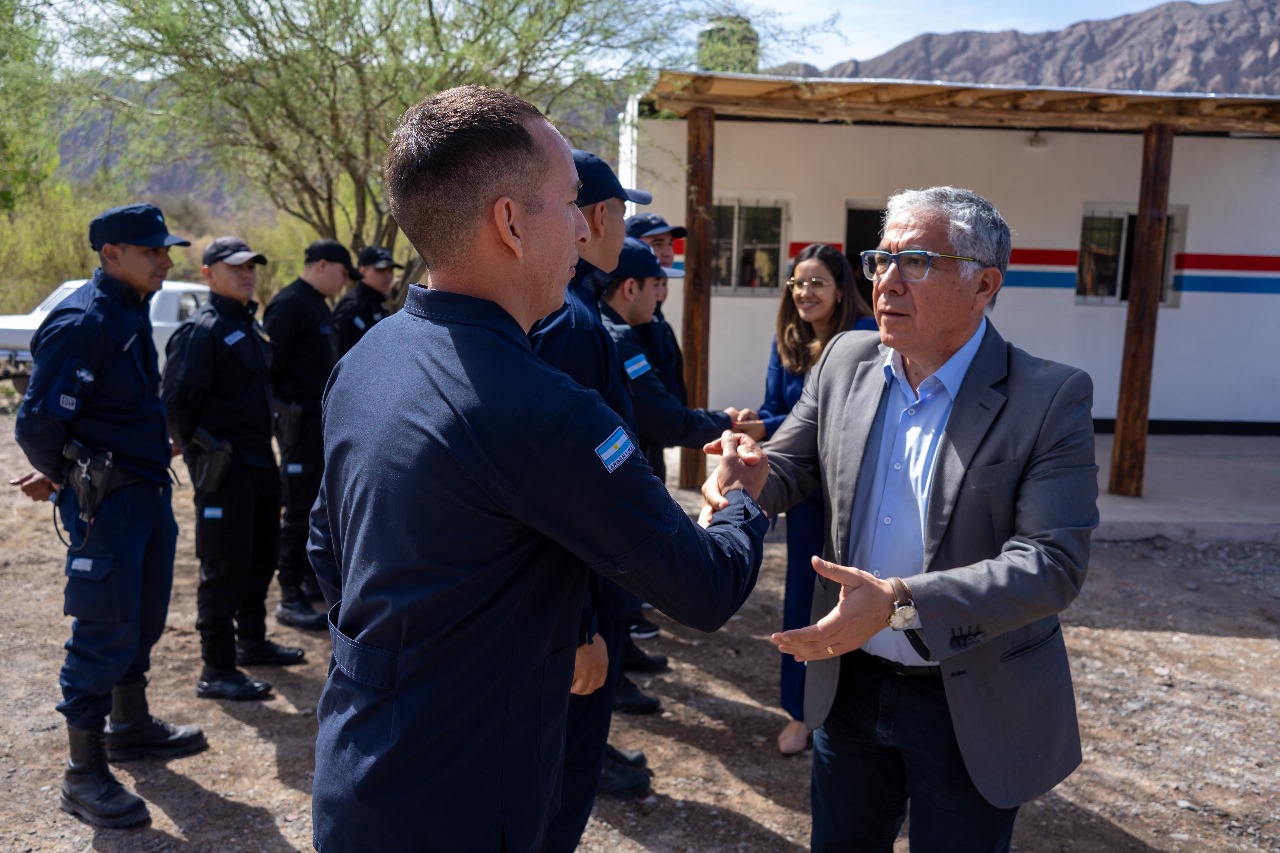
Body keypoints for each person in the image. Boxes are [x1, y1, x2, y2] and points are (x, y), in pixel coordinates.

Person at [306, 84, 770, 853]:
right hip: (462, 808)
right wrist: (739, 500)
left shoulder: (369, 358)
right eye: (570, 202)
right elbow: (705, 586)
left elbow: (330, 549)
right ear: (511, 223)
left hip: (360, 769)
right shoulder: (544, 409)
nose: (585, 226)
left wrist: (403, 665)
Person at [703, 187, 1099, 851]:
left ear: (984, 284)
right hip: (850, 684)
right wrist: (748, 475)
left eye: (916, 262)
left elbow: (1051, 563)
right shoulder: (846, 359)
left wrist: (898, 603)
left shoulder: (1048, 397)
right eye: (880, 260)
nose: (886, 281)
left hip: (970, 694)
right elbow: (792, 464)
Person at [14, 203, 207, 828]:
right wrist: (70, 476)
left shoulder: (129, 309)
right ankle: (83, 773)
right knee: (104, 626)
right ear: (111, 254)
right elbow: (38, 423)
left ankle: (129, 724)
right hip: (109, 504)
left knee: (142, 616)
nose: (165, 261)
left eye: (166, 250)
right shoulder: (85, 321)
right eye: (151, 251)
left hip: (144, 494)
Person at [529, 148, 658, 849]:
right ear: (599, 217)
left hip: (573, 594)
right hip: (576, 594)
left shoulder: (566, 310)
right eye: (623, 216)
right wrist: (582, 627)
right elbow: (569, 489)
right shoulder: (574, 323)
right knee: (562, 777)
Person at [738, 243, 875, 755]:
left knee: (858, 595)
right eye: (798, 282)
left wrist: (768, 425)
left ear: (841, 290)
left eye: (818, 282)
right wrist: (756, 422)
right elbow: (781, 412)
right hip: (804, 492)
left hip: (855, 489)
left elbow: (840, 418)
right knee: (802, 597)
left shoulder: (864, 339)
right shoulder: (789, 340)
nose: (805, 292)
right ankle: (800, 712)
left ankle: (851, 708)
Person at [161, 237, 306, 703]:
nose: (247, 274)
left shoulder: (248, 324)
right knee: (224, 567)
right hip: (225, 472)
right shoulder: (201, 331)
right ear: (208, 273)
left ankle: (252, 642)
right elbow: (178, 405)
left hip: (260, 463)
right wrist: (204, 453)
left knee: (259, 560)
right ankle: (217, 668)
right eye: (236, 267)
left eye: (251, 267)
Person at [263, 238, 356, 631]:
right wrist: (283, 418)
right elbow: (269, 373)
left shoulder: (317, 304)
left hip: (318, 426)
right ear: (322, 265)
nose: (344, 283)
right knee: (298, 509)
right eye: (342, 273)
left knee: (318, 508)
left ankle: (307, 580)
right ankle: (289, 596)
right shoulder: (288, 305)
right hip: (298, 427)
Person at [600, 238, 746, 479]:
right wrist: (726, 422)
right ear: (630, 288)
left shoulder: (608, 328)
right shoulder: (619, 341)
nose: (659, 296)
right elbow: (664, 419)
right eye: (655, 285)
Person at [623, 212, 689, 479]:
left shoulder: (657, 319)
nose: (667, 252)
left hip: (655, 447)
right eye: (657, 243)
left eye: (670, 244)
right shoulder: (625, 325)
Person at [332, 245, 402, 356]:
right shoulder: (352, 307)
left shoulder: (378, 305)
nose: (388, 275)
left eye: (390, 270)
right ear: (363, 271)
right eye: (381, 269)